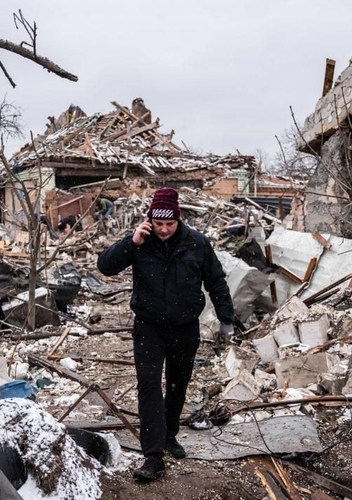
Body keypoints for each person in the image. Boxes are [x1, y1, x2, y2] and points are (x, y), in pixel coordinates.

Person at [97, 187, 234, 482]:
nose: (162, 229)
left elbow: (216, 281)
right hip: (149, 326)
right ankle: (153, 456)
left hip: (185, 327)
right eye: (158, 224)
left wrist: (227, 319)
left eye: (169, 224)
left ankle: (169, 434)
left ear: (178, 219)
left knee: (177, 384)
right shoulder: (139, 243)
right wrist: (130, 242)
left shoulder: (197, 244)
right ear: (150, 220)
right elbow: (105, 267)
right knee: (148, 385)